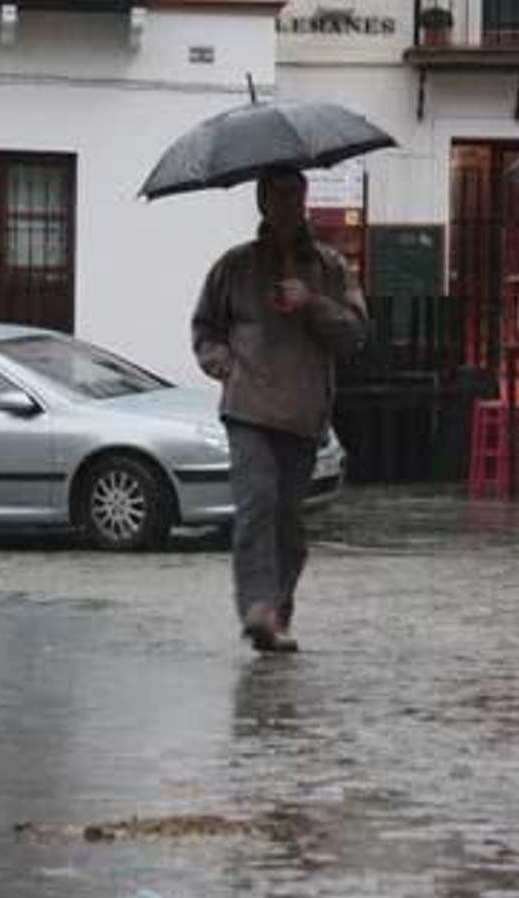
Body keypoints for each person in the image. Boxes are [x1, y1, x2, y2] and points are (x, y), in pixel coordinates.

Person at [192, 167, 368, 654]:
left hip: (305, 409)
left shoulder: (330, 267)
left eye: (297, 194)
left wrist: (312, 302)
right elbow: (205, 328)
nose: (290, 204)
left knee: (289, 520)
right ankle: (257, 609)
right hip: (248, 407)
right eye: (280, 195)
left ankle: (279, 611)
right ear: (262, 202)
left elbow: (355, 334)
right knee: (256, 507)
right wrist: (222, 363)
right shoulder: (235, 266)